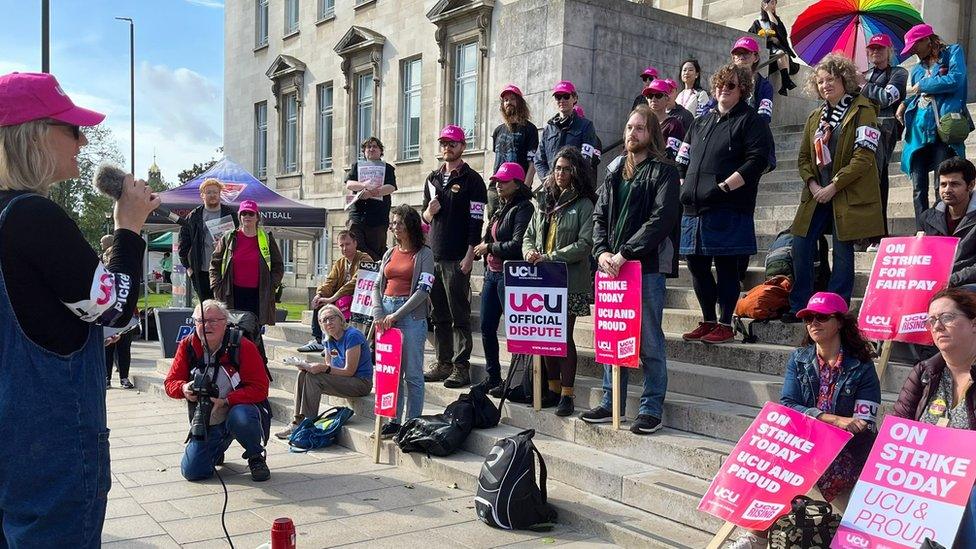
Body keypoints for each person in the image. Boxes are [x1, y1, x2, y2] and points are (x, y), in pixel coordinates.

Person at [0, 71, 155, 547]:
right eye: (71, 129)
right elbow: (117, 310)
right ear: (33, 134)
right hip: (48, 439)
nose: (83, 140)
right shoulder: (31, 216)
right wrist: (128, 228)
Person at [731, 292, 880, 549]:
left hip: (843, 450)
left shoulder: (862, 366)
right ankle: (756, 535)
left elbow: (863, 421)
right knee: (772, 460)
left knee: (804, 466)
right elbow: (788, 404)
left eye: (821, 317)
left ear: (840, 322)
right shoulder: (799, 359)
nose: (813, 323)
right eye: (808, 317)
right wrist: (831, 419)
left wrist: (835, 427)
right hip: (804, 442)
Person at [584, 105, 681, 435]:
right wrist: (600, 253)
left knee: (649, 339)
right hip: (611, 268)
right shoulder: (615, 172)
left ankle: (651, 407)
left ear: (651, 133)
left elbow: (661, 220)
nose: (631, 133)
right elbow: (598, 217)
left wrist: (625, 253)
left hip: (646, 267)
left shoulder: (664, 171)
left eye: (639, 128)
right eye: (628, 127)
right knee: (614, 336)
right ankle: (611, 401)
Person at [677, 64, 772, 344]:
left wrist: (724, 186)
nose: (723, 90)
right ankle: (708, 319)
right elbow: (682, 157)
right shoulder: (701, 122)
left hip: (729, 207)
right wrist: (683, 184)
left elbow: (757, 161)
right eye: (719, 85)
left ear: (742, 89)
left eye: (730, 86)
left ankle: (725, 322)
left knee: (728, 267)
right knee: (696, 265)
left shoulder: (751, 120)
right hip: (694, 208)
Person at [786, 53, 885, 320]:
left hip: (846, 192)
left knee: (842, 251)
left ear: (845, 80)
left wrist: (835, 185)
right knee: (801, 243)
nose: (825, 85)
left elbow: (864, 156)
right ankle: (800, 304)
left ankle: (835, 306)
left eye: (831, 79)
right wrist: (813, 183)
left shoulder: (863, 110)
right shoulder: (815, 116)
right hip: (817, 193)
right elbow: (804, 158)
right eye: (820, 82)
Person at [891, 288, 976, 547]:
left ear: (974, 324)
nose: (937, 326)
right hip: (926, 481)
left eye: (947, 317)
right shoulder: (925, 371)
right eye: (932, 320)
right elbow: (897, 430)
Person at [523, 147, 596, 416]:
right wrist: (529, 252)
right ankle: (553, 389)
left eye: (566, 169)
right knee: (547, 337)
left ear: (576, 171)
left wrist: (550, 257)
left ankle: (567, 393)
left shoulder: (584, 204)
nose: (561, 173)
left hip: (569, 281)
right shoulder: (544, 201)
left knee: (563, 337)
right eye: (557, 169)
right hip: (542, 280)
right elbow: (529, 235)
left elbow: (585, 244)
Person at [164, 300, 271, 482]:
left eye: (214, 321)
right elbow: (170, 383)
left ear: (225, 322)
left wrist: (226, 400)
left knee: (241, 415)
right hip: (208, 417)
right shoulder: (188, 345)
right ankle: (218, 445)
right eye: (201, 321)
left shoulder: (242, 345)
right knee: (193, 472)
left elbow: (260, 388)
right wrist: (184, 388)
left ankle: (255, 456)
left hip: (237, 409)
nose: (207, 326)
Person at [421, 125, 487, 388]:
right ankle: (443, 362)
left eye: (452, 143)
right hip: (434, 255)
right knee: (438, 314)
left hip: (458, 256)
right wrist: (429, 211)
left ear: (463, 146)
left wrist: (471, 254)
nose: (447, 148)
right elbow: (425, 221)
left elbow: (476, 220)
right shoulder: (432, 177)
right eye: (444, 143)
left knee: (459, 313)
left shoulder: (473, 180)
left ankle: (461, 366)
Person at [897, 23, 970, 228]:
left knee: (942, 184)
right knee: (918, 186)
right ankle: (922, 230)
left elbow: (956, 80)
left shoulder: (952, 53)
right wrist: (904, 104)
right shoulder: (916, 70)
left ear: (927, 40)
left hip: (942, 130)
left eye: (915, 46)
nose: (913, 51)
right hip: (918, 131)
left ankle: (940, 229)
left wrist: (924, 85)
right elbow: (916, 95)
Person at [373, 204, 436, 437]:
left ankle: (412, 421)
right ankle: (394, 420)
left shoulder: (425, 254)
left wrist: (396, 315)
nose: (394, 227)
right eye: (392, 223)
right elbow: (377, 284)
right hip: (386, 312)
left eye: (399, 222)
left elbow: (423, 291)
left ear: (410, 225)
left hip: (410, 316)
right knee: (392, 372)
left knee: (412, 374)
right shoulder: (389, 253)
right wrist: (378, 312)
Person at [474, 162, 534, 393]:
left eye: (504, 181)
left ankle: (517, 381)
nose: (498, 185)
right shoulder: (501, 206)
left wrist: (489, 247)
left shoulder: (524, 208)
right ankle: (493, 377)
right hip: (492, 274)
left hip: (510, 276)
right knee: (487, 328)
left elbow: (518, 245)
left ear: (517, 184)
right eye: (497, 181)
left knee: (516, 331)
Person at [276, 304, 373, 439]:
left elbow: (349, 371)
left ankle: (307, 423)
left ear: (340, 319)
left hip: (360, 382)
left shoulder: (352, 336)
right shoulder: (328, 337)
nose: (328, 323)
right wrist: (308, 366)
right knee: (303, 374)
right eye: (324, 320)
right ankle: (297, 422)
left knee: (313, 378)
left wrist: (322, 368)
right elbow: (329, 365)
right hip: (343, 380)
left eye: (331, 318)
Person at [859, 33, 909, 244]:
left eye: (880, 48)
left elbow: (888, 98)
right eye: (872, 48)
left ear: (890, 51)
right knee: (862, 180)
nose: (875, 52)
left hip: (884, 128)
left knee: (877, 179)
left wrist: (862, 86)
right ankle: (860, 232)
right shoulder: (864, 74)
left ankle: (877, 234)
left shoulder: (899, 73)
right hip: (861, 128)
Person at [210, 199, 284, 331]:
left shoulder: (266, 237)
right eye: (244, 213)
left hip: (259, 293)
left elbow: (278, 265)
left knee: (254, 331)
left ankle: (254, 352)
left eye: (251, 214)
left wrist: (272, 284)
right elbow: (215, 263)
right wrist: (216, 285)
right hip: (232, 292)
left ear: (257, 217)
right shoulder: (229, 237)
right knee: (233, 330)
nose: (247, 217)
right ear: (239, 216)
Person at [297, 230, 371, 353]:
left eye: (347, 244)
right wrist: (320, 294)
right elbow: (330, 282)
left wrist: (333, 298)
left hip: (359, 299)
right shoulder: (340, 262)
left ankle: (338, 340)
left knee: (341, 302)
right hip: (340, 298)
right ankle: (319, 340)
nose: (344, 248)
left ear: (355, 243)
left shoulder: (364, 259)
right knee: (320, 302)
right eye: (341, 245)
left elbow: (354, 282)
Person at [178, 177, 239, 303]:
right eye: (209, 192)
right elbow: (183, 244)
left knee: (224, 307)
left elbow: (239, 240)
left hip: (224, 270)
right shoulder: (194, 216)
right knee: (206, 307)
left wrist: (225, 244)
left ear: (219, 194)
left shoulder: (231, 215)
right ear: (202, 195)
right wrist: (189, 269)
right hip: (201, 271)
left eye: (215, 192)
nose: (212, 195)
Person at [920, 158, 976, 288]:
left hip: (967, 284)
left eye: (954, 184)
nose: (947, 190)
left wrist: (950, 281)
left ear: (971, 185)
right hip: (933, 284)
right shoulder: (927, 218)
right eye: (943, 184)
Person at [535, 81, 601, 185]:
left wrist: (572, 176)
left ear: (574, 98)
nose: (561, 100)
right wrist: (547, 178)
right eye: (558, 97)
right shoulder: (548, 129)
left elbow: (586, 158)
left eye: (566, 96)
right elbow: (539, 160)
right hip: (552, 188)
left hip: (575, 187)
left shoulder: (586, 126)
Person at [490, 85, 538, 217]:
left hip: (516, 188)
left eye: (512, 99)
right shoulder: (498, 131)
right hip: (495, 189)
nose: (509, 102)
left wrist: (525, 188)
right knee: (493, 228)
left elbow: (532, 163)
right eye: (505, 100)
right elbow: (497, 159)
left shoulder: (530, 129)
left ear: (520, 103)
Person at [345, 137, 396, 260]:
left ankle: (377, 265)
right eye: (368, 147)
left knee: (377, 247)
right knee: (355, 246)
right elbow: (349, 184)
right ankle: (374, 263)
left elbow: (391, 187)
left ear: (380, 150)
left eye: (374, 146)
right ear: (364, 151)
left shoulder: (387, 168)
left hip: (378, 218)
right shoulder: (357, 166)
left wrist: (373, 193)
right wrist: (364, 186)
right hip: (357, 216)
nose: (371, 149)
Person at [748, 0, 799, 96]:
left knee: (784, 55)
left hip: (778, 49)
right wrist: (769, 39)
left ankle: (785, 85)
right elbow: (753, 38)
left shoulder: (775, 19)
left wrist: (777, 40)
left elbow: (780, 31)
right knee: (781, 53)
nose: (774, 6)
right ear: (765, 4)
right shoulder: (757, 22)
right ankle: (786, 83)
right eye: (772, 3)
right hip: (766, 51)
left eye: (775, 4)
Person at [643, 78, 686, 161]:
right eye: (650, 96)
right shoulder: (641, 123)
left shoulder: (674, 125)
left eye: (658, 95)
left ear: (667, 99)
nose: (653, 99)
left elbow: (671, 156)